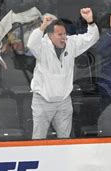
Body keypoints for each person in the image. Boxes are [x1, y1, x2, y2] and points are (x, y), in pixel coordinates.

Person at [27, 8, 99, 139]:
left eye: (64, 33)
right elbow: (31, 44)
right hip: (42, 101)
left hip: (64, 102)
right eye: (59, 34)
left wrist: (90, 22)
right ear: (49, 35)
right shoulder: (42, 46)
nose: (63, 37)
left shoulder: (71, 43)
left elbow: (92, 37)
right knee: (38, 139)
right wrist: (42, 27)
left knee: (65, 140)